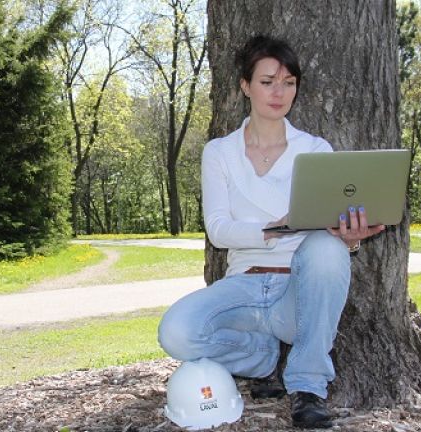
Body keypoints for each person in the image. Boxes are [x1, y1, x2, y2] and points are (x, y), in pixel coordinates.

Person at [157, 35, 385, 429]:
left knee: (327, 250)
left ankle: (308, 386)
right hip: (242, 289)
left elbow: (325, 239)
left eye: (289, 82)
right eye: (267, 81)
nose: (279, 93)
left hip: (297, 295)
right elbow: (218, 230)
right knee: (176, 333)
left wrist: (350, 238)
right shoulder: (220, 152)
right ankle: (261, 358)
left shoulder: (315, 150)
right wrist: (274, 228)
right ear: (245, 86)